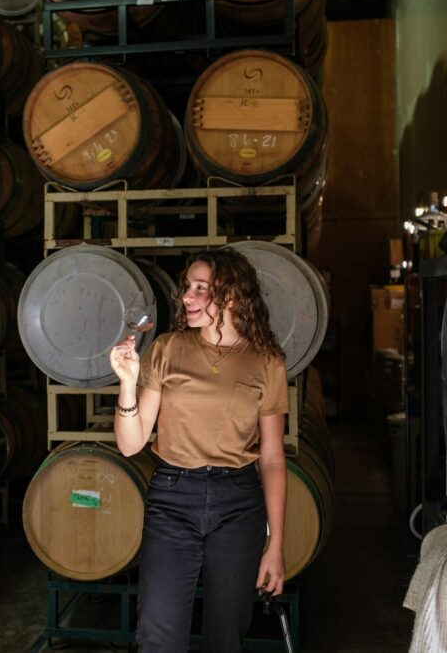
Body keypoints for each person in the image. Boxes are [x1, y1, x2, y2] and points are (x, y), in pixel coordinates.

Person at [110, 248, 288, 652]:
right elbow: (130, 442)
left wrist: (275, 544)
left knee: (226, 636)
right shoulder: (167, 350)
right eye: (186, 288)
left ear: (230, 297)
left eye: (199, 289)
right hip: (173, 497)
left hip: (239, 502)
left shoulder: (266, 362)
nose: (185, 297)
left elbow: (274, 459)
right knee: (158, 634)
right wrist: (126, 382)